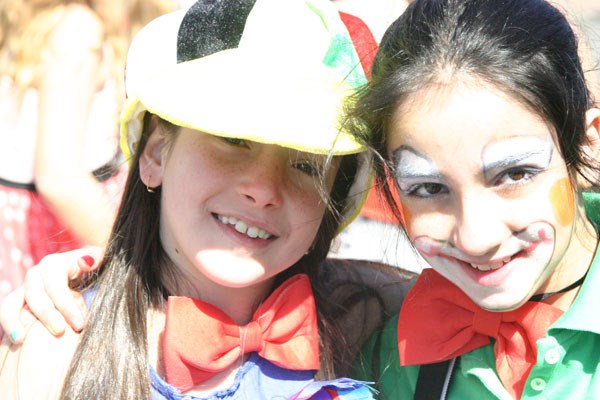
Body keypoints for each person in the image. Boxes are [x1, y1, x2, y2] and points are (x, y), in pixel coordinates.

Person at [0, 0, 392, 398]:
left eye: (307, 165)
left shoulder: (367, 327)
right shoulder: (55, 351)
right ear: (156, 153)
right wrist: (111, 261)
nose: (263, 189)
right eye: (233, 139)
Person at [346, 0, 600, 398]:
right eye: (429, 189)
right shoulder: (393, 354)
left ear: (586, 146)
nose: (475, 239)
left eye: (515, 174)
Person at [0, 0, 173, 303]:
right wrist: (141, 262)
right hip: (62, 233)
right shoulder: (78, 29)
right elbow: (60, 178)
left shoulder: (50, 21)